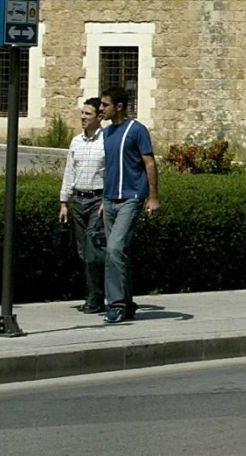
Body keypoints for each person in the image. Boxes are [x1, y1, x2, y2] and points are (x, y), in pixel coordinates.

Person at [100, 88, 160, 324]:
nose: (101, 109)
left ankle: (115, 304)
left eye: (105, 105)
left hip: (131, 198)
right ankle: (126, 301)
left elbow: (149, 163)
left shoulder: (137, 130)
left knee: (115, 248)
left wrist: (153, 197)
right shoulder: (106, 133)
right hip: (109, 199)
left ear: (119, 106)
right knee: (115, 253)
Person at [56, 97, 107, 313]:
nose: (83, 117)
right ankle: (95, 294)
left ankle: (95, 299)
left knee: (93, 249)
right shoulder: (76, 141)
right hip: (78, 201)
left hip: (98, 201)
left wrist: (106, 200)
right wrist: (63, 202)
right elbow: (70, 171)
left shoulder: (107, 141)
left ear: (99, 117)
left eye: (88, 114)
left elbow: (111, 172)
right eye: (82, 113)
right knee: (82, 251)